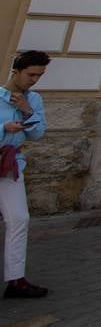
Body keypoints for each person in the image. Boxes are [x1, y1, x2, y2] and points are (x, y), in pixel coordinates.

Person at [0, 51, 50, 299]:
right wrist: (3, 128)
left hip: (10, 166)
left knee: (19, 218)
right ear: (16, 71)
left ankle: (16, 280)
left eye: (39, 76)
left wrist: (27, 110)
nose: (34, 80)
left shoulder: (34, 100)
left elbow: (38, 133)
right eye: (31, 74)